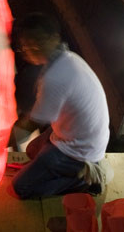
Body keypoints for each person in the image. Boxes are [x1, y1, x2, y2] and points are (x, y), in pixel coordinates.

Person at [10, 13, 112, 199]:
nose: (31, 48)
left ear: (55, 38)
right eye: (26, 44)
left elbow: (30, 124)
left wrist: (3, 142)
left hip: (79, 150)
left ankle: (85, 180)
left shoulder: (55, 77)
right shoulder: (68, 58)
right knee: (33, 151)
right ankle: (67, 170)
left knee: (20, 187)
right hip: (82, 136)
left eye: (37, 41)